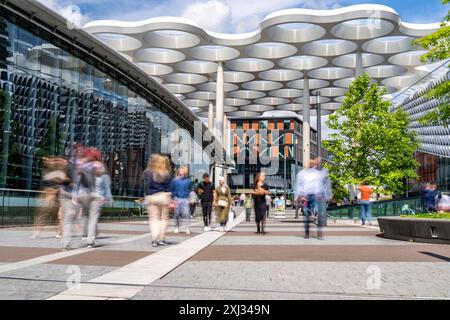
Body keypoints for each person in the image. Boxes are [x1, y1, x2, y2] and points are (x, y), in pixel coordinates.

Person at [295, 157, 332, 240]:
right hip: (306, 196)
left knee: (319, 214)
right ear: (307, 164)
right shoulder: (302, 173)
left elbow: (325, 182)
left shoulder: (318, 173)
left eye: (313, 163)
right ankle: (307, 232)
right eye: (310, 163)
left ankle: (319, 232)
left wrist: (328, 195)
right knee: (306, 215)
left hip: (316, 196)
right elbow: (298, 185)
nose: (312, 164)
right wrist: (298, 195)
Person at [33, 157, 69, 239]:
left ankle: (58, 232)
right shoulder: (48, 172)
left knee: (60, 215)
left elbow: (66, 182)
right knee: (44, 213)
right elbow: (47, 183)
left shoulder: (62, 171)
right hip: (50, 194)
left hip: (60, 194)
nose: (50, 162)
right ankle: (37, 231)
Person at [143, 154, 173, 247]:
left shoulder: (148, 172)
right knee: (163, 219)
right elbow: (169, 187)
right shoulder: (166, 173)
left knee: (154, 219)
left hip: (152, 197)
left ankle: (154, 239)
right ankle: (161, 239)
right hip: (164, 197)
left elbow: (147, 185)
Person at [86, 161, 112, 248]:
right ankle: (90, 240)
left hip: (88, 198)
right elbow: (107, 189)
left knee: (89, 218)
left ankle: (89, 236)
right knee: (93, 219)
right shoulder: (104, 177)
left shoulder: (88, 176)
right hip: (97, 199)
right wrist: (108, 199)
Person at [170, 166, 192, 235]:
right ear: (178, 172)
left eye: (183, 171)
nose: (182, 172)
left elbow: (191, 190)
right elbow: (171, 189)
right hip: (176, 198)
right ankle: (176, 227)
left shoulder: (188, 181)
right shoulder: (174, 180)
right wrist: (173, 198)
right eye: (180, 171)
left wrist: (190, 198)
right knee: (176, 214)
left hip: (185, 199)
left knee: (186, 214)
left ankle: (187, 228)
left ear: (185, 172)